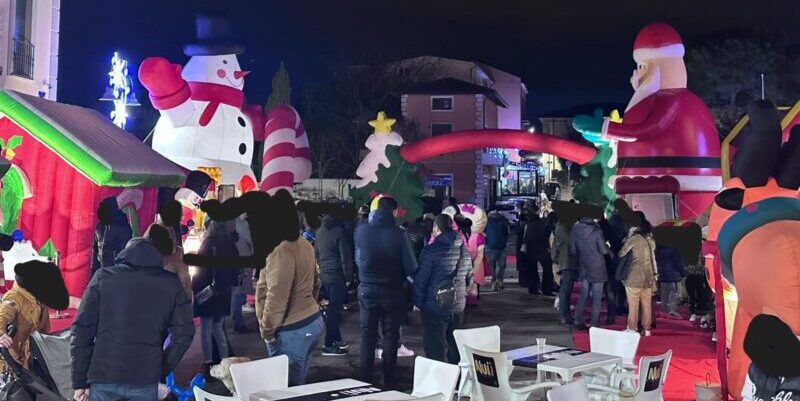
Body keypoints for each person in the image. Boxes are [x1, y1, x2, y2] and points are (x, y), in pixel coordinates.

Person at [72, 225, 195, 401]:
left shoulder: (103, 277)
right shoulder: (171, 284)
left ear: (125, 253)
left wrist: (79, 381)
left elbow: (81, 330)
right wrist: (161, 367)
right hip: (145, 377)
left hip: (104, 374)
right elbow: (185, 333)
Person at [256, 202, 323, 387]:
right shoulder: (303, 244)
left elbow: (277, 296)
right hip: (310, 321)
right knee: (297, 384)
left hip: (292, 328)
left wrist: (267, 331)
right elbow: (316, 282)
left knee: (284, 388)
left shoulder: (283, 250)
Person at [354, 196, 417, 389]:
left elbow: (358, 259)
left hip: (367, 290)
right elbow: (410, 267)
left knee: (368, 335)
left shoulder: (362, 231)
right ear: (395, 212)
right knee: (390, 336)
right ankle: (389, 380)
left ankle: (365, 379)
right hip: (392, 291)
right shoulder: (399, 235)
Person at [413, 214, 472, 364]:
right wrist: (461, 295)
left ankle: (439, 381)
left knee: (435, 347)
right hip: (458, 306)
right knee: (455, 346)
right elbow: (468, 277)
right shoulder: (463, 250)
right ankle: (457, 380)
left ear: (436, 229)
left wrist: (420, 302)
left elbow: (421, 280)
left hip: (434, 306)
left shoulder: (431, 251)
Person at [0, 260, 67, 372]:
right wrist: (1, 334)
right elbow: (3, 314)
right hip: (15, 362)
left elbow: (45, 330)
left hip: (36, 356)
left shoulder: (40, 297)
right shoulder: (14, 298)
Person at [193, 220, 238, 371]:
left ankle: (208, 362)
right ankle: (225, 362)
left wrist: (195, 288)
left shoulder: (207, 244)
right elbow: (235, 268)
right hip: (224, 292)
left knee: (206, 330)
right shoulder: (229, 244)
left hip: (209, 292)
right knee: (218, 328)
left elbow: (200, 270)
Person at [315, 211, 355, 357]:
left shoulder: (319, 231)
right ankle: (329, 344)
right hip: (337, 275)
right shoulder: (340, 232)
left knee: (332, 309)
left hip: (324, 275)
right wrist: (348, 277)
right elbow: (345, 257)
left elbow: (316, 255)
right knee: (334, 311)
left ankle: (337, 339)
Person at [619, 216, 658, 336]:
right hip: (648, 277)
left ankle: (632, 328)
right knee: (646, 304)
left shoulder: (634, 239)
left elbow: (621, 253)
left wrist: (629, 236)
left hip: (633, 277)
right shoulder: (651, 241)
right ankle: (647, 329)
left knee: (633, 304)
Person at [570, 216, 610, 330]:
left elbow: (572, 250)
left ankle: (578, 320)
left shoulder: (574, 229)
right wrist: (607, 246)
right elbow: (603, 250)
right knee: (597, 297)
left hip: (583, 265)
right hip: (597, 266)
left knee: (583, 295)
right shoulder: (597, 231)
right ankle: (594, 323)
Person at [91, 197, 132, 278]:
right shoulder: (100, 226)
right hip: (104, 272)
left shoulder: (122, 228)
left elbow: (124, 254)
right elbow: (96, 251)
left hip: (116, 274)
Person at [524, 206, 555, 295]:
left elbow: (525, 238)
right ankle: (547, 289)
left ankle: (533, 288)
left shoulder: (529, 225)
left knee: (532, 269)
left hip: (531, 249)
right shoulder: (544, 224)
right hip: (542, 248)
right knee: (547, 269)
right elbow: (548, 236)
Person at [231, 214, 254, 334]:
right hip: (242, 261)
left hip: (233, 260)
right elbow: (252, 240)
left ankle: (235, 321)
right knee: (238, 293)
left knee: (236, 293)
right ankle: (238, 324)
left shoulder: (229, 222)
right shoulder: (242, 224)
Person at [552, 215, 577, 325]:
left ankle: (565, 314)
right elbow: (569, 246)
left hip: (565, 261)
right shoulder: (564, 228)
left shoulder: (561, 227)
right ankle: (564, 315)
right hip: (567, 262)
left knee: (566, 289)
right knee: (565, 290)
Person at [655, 243, 687, 319]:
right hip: (674, 276)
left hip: (662, 275)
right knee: (675, 294)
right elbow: (678, 263)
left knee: (664, 295)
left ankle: (665, 311)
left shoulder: (657, 249)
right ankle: (673, 311)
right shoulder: (673, 249)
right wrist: (684, 273)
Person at [485, 209, 509, 292]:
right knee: (502, 266)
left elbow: (483, 233)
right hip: (501, 247)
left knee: (491, 266)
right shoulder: (503, 221)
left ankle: (494, 282)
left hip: (490, 246)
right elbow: (506, 233)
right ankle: (500, 280)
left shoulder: (486, 221)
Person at [685, 251, 711, 322]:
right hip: (691, 275)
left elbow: (705, 262)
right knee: (691, 294)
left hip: (700, 275)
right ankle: (692, 312)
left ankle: (701, 311)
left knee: (701, 293)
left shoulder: (701, 251)